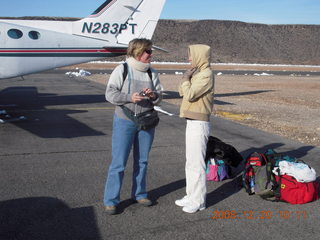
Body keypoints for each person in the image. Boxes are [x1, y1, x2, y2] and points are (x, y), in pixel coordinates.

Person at [103, 38, 162, 215]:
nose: (151, 55)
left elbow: (160, 97)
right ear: (138, 52)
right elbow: (110, 94)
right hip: (125, 121)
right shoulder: (122, 69)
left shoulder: (152, 72)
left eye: (151, 51)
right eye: (148, 51)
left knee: (142, 161)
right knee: (119, 162)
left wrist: (153, 96)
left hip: (146, 121)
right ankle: (111, 200)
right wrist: (130, 97)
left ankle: (140, 194)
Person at [175, 44, 214, 213]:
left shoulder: (206, 74)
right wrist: (186, 80)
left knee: (197, 164)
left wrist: (185, 79)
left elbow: (190, 94)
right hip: (191, 121)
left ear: (199, 56)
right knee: (190, 162)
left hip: (199, 123)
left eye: (191, 55)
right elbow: (181, 91)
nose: (189, 59)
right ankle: (191, 195)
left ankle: (199, 201)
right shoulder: (196, 73)